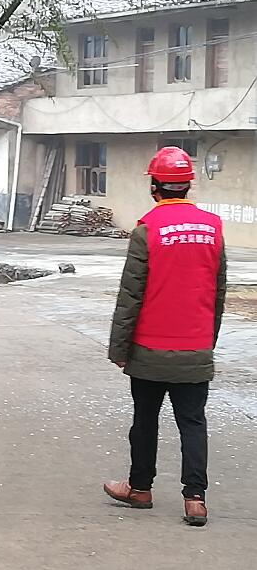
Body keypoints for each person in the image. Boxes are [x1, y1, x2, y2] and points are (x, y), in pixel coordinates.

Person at [102, 147, 227, 527]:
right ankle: (195, 499)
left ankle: (140, 489)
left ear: (155, 187)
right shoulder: (213, 228)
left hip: (149, 348)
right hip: (195, 347)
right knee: (193, 423)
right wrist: (207, 340)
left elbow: (131, 295)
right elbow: (218, 291)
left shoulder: (147, 231)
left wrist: (119, 348)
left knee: (145, 419)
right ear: (187, 185)